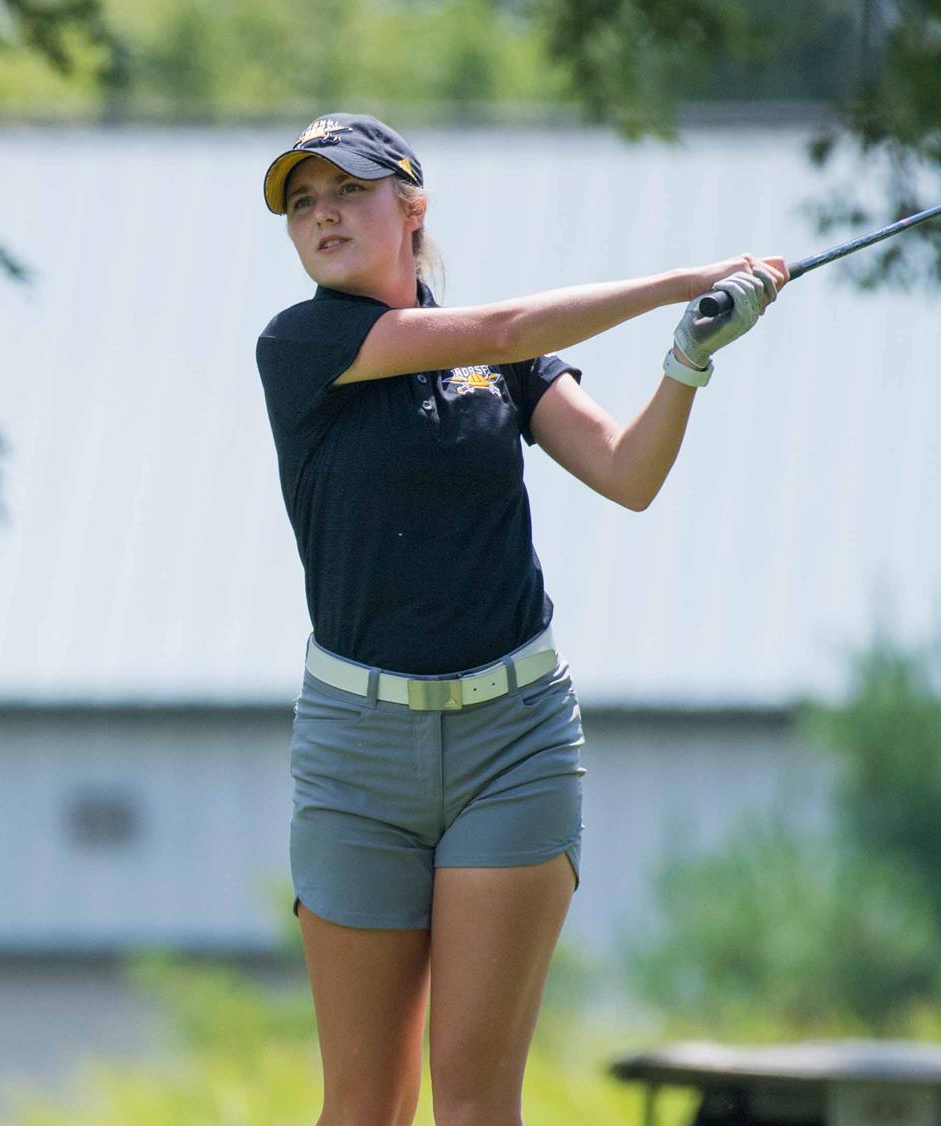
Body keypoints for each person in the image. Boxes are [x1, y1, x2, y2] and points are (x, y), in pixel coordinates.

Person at [254, 113, 788, 1126]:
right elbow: (499, 330)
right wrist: (685, 277)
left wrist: (686, 356)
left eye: (346, 191)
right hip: (356, 747)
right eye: (301, 201)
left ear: (410, 208)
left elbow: (626, 473)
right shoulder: (300, 342)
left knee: (471, 1099)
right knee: (363, 1106)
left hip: (513, 739)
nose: (321, 215)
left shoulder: (505, 363)